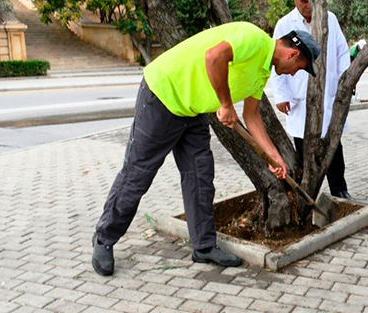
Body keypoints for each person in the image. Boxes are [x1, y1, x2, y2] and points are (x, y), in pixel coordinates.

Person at [92, 21, 320, 276]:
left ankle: (203, 246)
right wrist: (225, 104)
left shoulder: (262, 72)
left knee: (200, 176)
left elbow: (252, 116)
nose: (294, 74)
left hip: (193, 110)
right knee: (138, 174)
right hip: (164, 95)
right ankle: (104, 238)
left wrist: (273, 156)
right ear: (293, 54)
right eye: (300, 68)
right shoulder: (253, 39)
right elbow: (214, 57)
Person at [271, 0, 353, 200]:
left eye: (311, 1)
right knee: (303, 148)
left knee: (333, 147)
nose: (308, 6)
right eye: (304, 1)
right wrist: (281, 95)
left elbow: (342, 53)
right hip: (299, 97)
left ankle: (339, 190)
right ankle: (307, 194)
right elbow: (275, 63)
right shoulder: (284, 25)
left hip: (327, 94)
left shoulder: (330, 19)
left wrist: (346, 83)